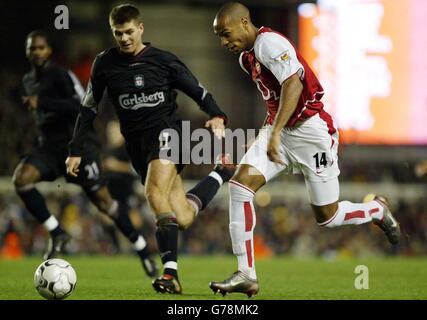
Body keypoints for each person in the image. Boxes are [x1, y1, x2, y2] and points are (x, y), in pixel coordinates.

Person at [209, 2, 401, 297]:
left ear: (244, 23)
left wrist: (273, 134)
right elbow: (275, 99)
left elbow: (294, 85)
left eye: (226, 34)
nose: (223, 43)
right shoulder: (247, 59)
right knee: (240, 186)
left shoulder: (269, 43)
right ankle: (246, 274)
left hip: (312, 133)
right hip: (280, 132)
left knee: (328, 217)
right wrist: (266, 134)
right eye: (219, 37)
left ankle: (376, 210)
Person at [66, 4, 234, 294]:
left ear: (141, 28)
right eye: (118, 33)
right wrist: (75, 147)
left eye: (129, 31)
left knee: (153, 193)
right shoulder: (105, 64)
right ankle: (221, 173)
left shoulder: (164, 61)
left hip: (170, 133)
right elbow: (88, 107)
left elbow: (198, 91)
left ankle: (170, 274)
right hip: (138, 146)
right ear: (113, 32)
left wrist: (216, 115)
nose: (125, 38)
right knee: (181, 216)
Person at [13, 30, 158, 279]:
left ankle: (142, 249)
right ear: (27, 52)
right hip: (49, 148)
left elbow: (82, 105)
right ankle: (57, 232)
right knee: (22, 180)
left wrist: (43, 103)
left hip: (78, 147)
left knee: (106, 205)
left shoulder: (61, 75)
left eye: (40, 47)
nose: (36, 52)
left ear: (49, 51)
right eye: (32, 48)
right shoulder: (28, 80)